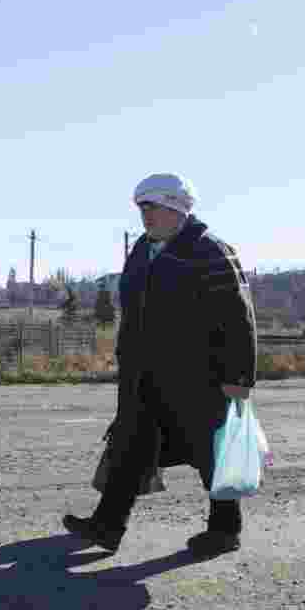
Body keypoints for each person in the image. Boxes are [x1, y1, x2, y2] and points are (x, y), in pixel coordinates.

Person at [63, 172, 257, 557]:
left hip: (199, 378)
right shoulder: (142, 249)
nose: (145, 216)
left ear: (176, 207)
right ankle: (107, 526)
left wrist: (238, 377)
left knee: (211, 454)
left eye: (152, 207)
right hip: (143, 376)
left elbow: (239, 318)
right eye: (141, 208)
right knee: (129, 447)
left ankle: (224, 530)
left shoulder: (211, 250)